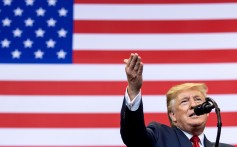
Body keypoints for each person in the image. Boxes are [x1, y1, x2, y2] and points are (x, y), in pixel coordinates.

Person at [120, 53, 233, 147]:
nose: (193, 104)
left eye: (198, 99)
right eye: (184, 101)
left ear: (207, 111)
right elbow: (133, 137)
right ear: (173, 115)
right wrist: (134, 90)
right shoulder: (159, 136)